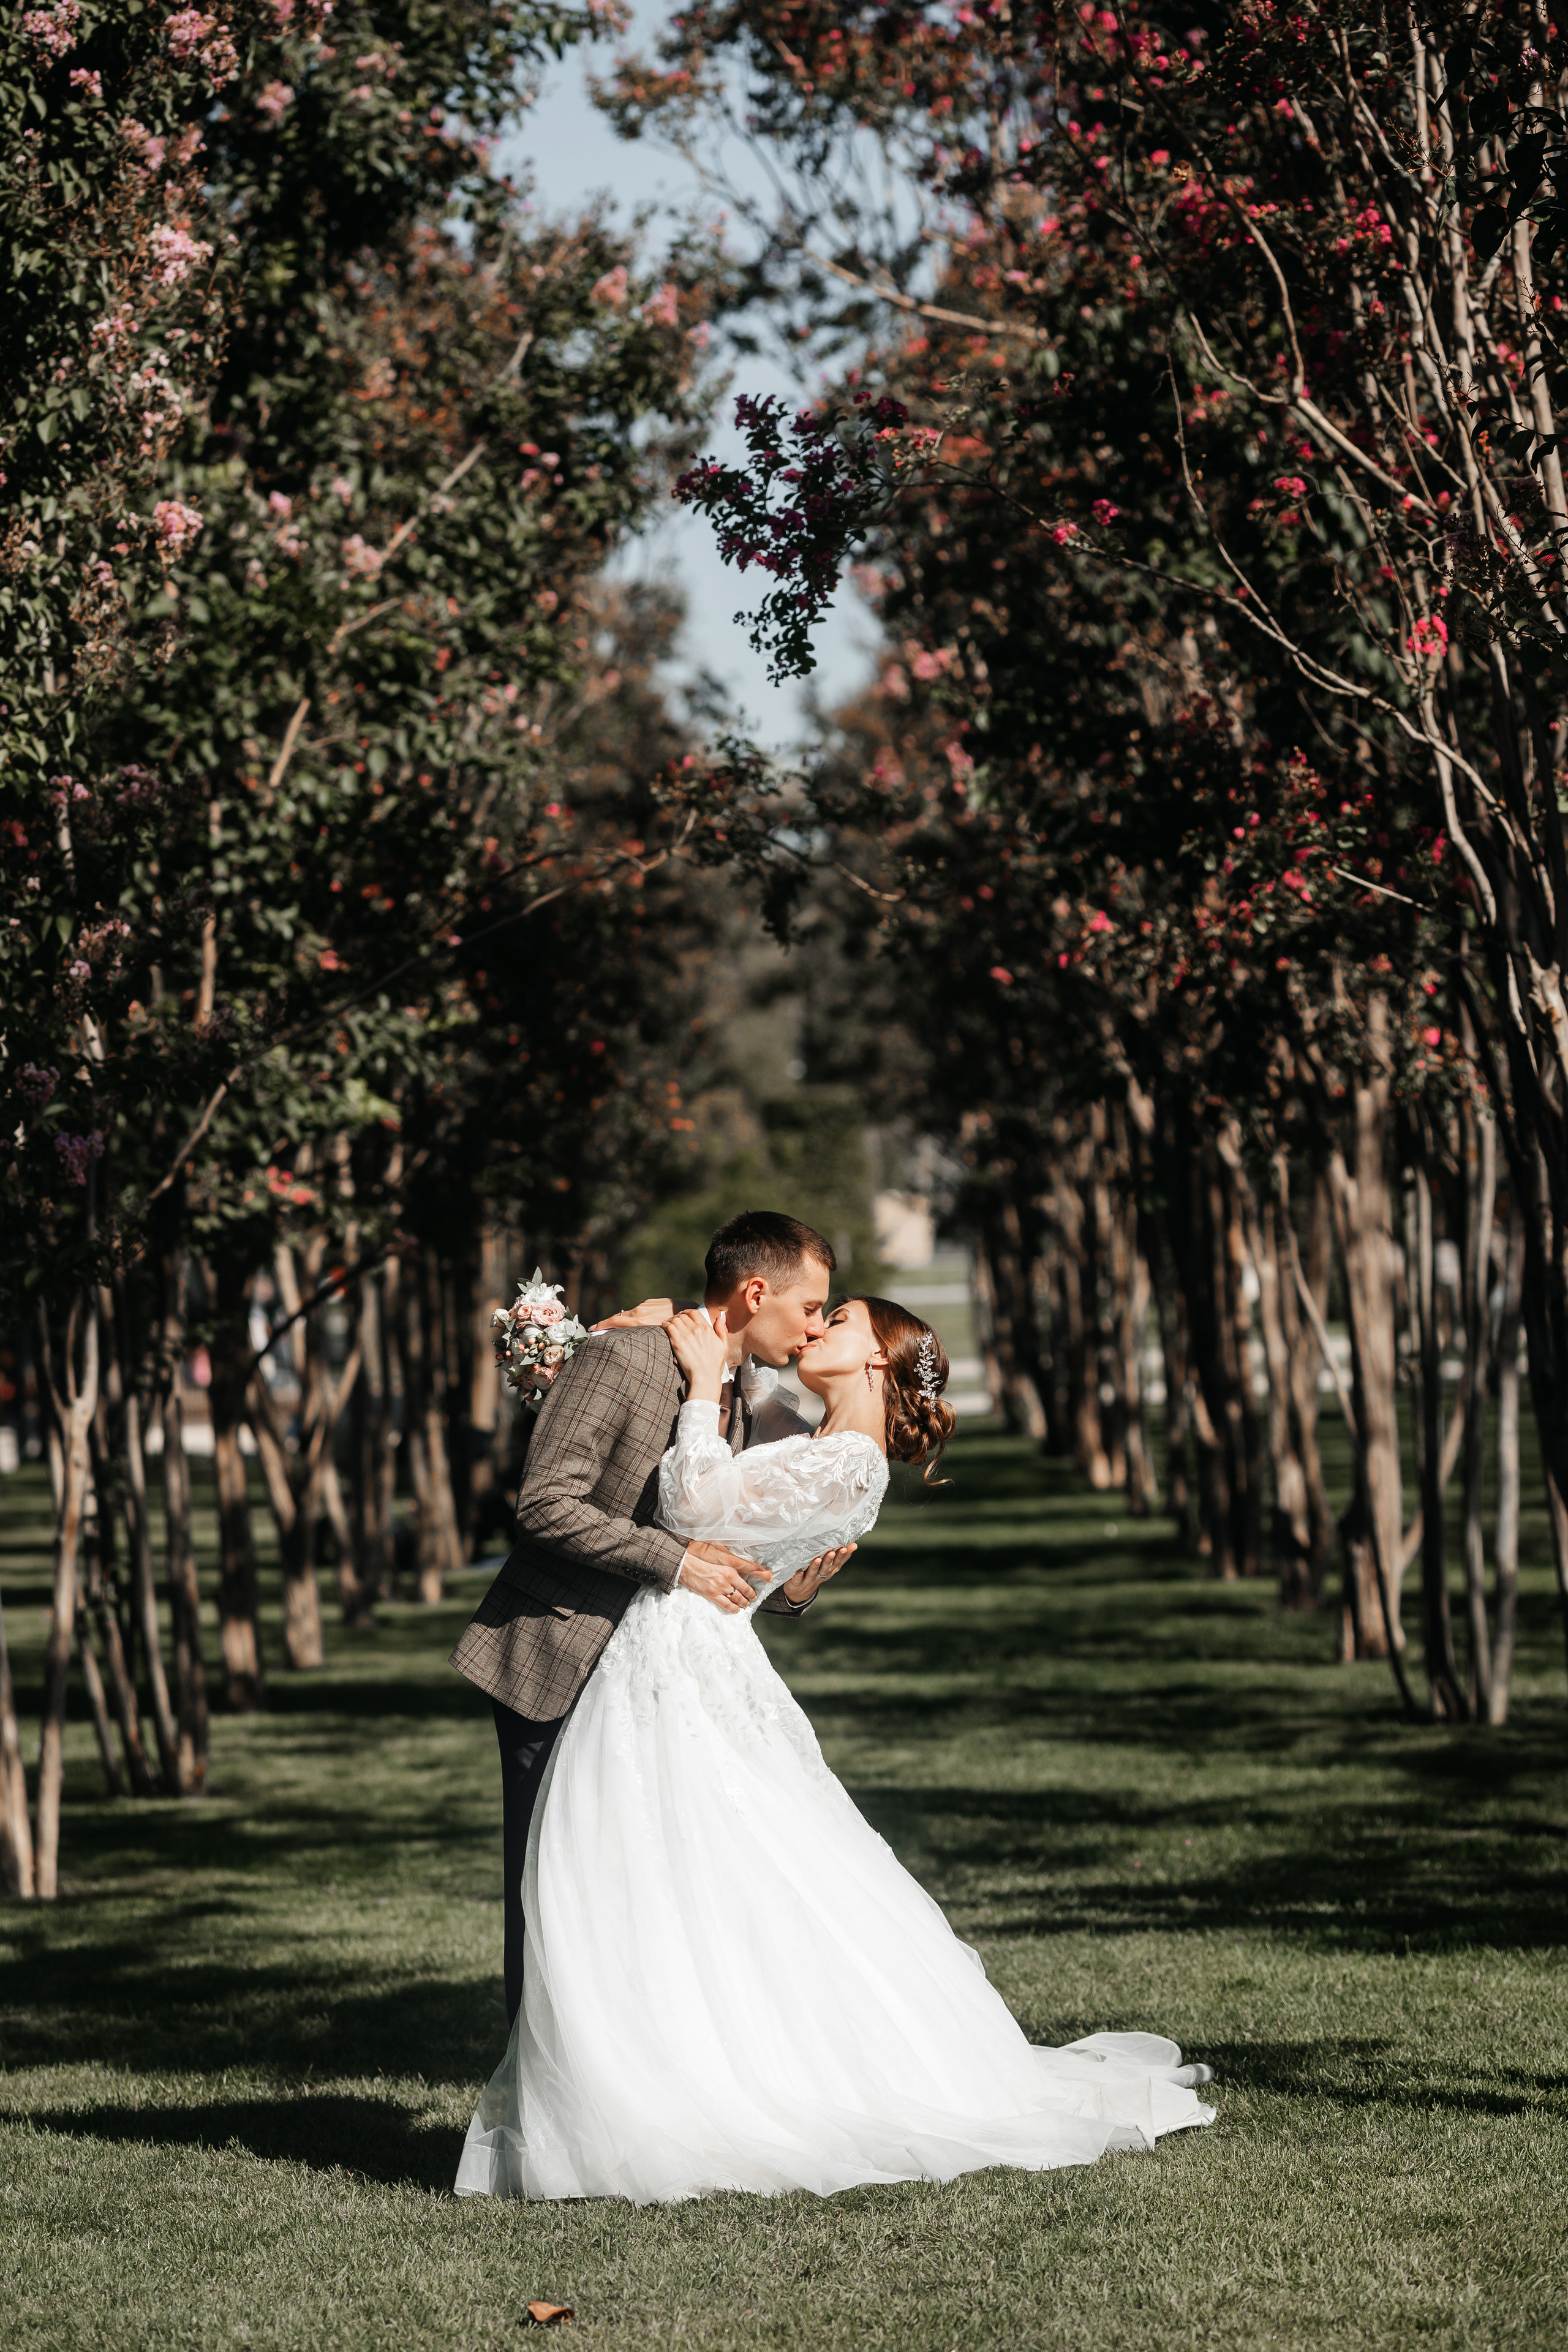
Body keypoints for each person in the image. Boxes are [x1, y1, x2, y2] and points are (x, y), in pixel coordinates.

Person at [454, 1288, 1215, 2205]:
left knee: (657, 1868)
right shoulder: (808, 1432)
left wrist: (699, 1382)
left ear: (877, 1364)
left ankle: (679, 2092)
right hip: (672, 1660)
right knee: (665, 1876)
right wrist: (637, 1335)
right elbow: (724, 1410)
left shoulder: (854, 1465)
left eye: (839, 1319)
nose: (817, 1330)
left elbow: (690, 1494)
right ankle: (648, 2070)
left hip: (682, 1664)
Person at [449, 1210, 852, 2030]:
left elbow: (718, 1555)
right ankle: (541, 2089)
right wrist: (675, 1561)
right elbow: (546, 1504)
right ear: (755, 1291)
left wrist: (793, 1590)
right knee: (553, 1888)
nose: (815, 1328)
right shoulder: (625, 1356)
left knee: (643, 1895)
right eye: (812, 1308)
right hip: (558, 1656)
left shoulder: (741, 1396)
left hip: (659, 1683)